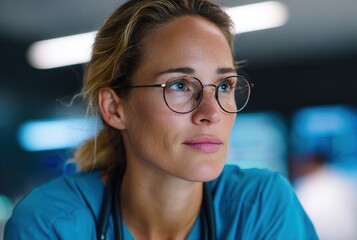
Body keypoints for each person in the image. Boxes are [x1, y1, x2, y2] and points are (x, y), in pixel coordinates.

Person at [4, 0, 317, 239]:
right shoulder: (51, 222)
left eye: (224, 86)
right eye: (180, 85)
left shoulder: (261, 204)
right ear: (115, 108)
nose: (212, 112)